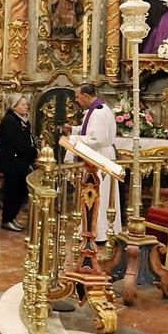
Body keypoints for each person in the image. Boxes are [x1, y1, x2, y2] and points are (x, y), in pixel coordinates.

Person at [66, 83, 121, 238]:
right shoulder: (98, 109)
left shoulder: (98, 112)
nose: (76, 100)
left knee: (99, 194)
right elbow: (90, 130)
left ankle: (99, 232)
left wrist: (72, 139)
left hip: (99, 157)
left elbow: (97, 139)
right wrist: (73, 129)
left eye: (77, 97)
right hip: (98, 155)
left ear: (85, 96)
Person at [0, 95, 37, 232]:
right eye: (23, 104)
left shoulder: (22, 120)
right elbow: (17, 143)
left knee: (20, 191)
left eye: (26, 104)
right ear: (14, 106)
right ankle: (7, 219)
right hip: (12, 163)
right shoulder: (10, 121)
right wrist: (34, 152)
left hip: (20, 162)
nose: (26, 107)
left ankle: (12, 217)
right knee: (12, 192)